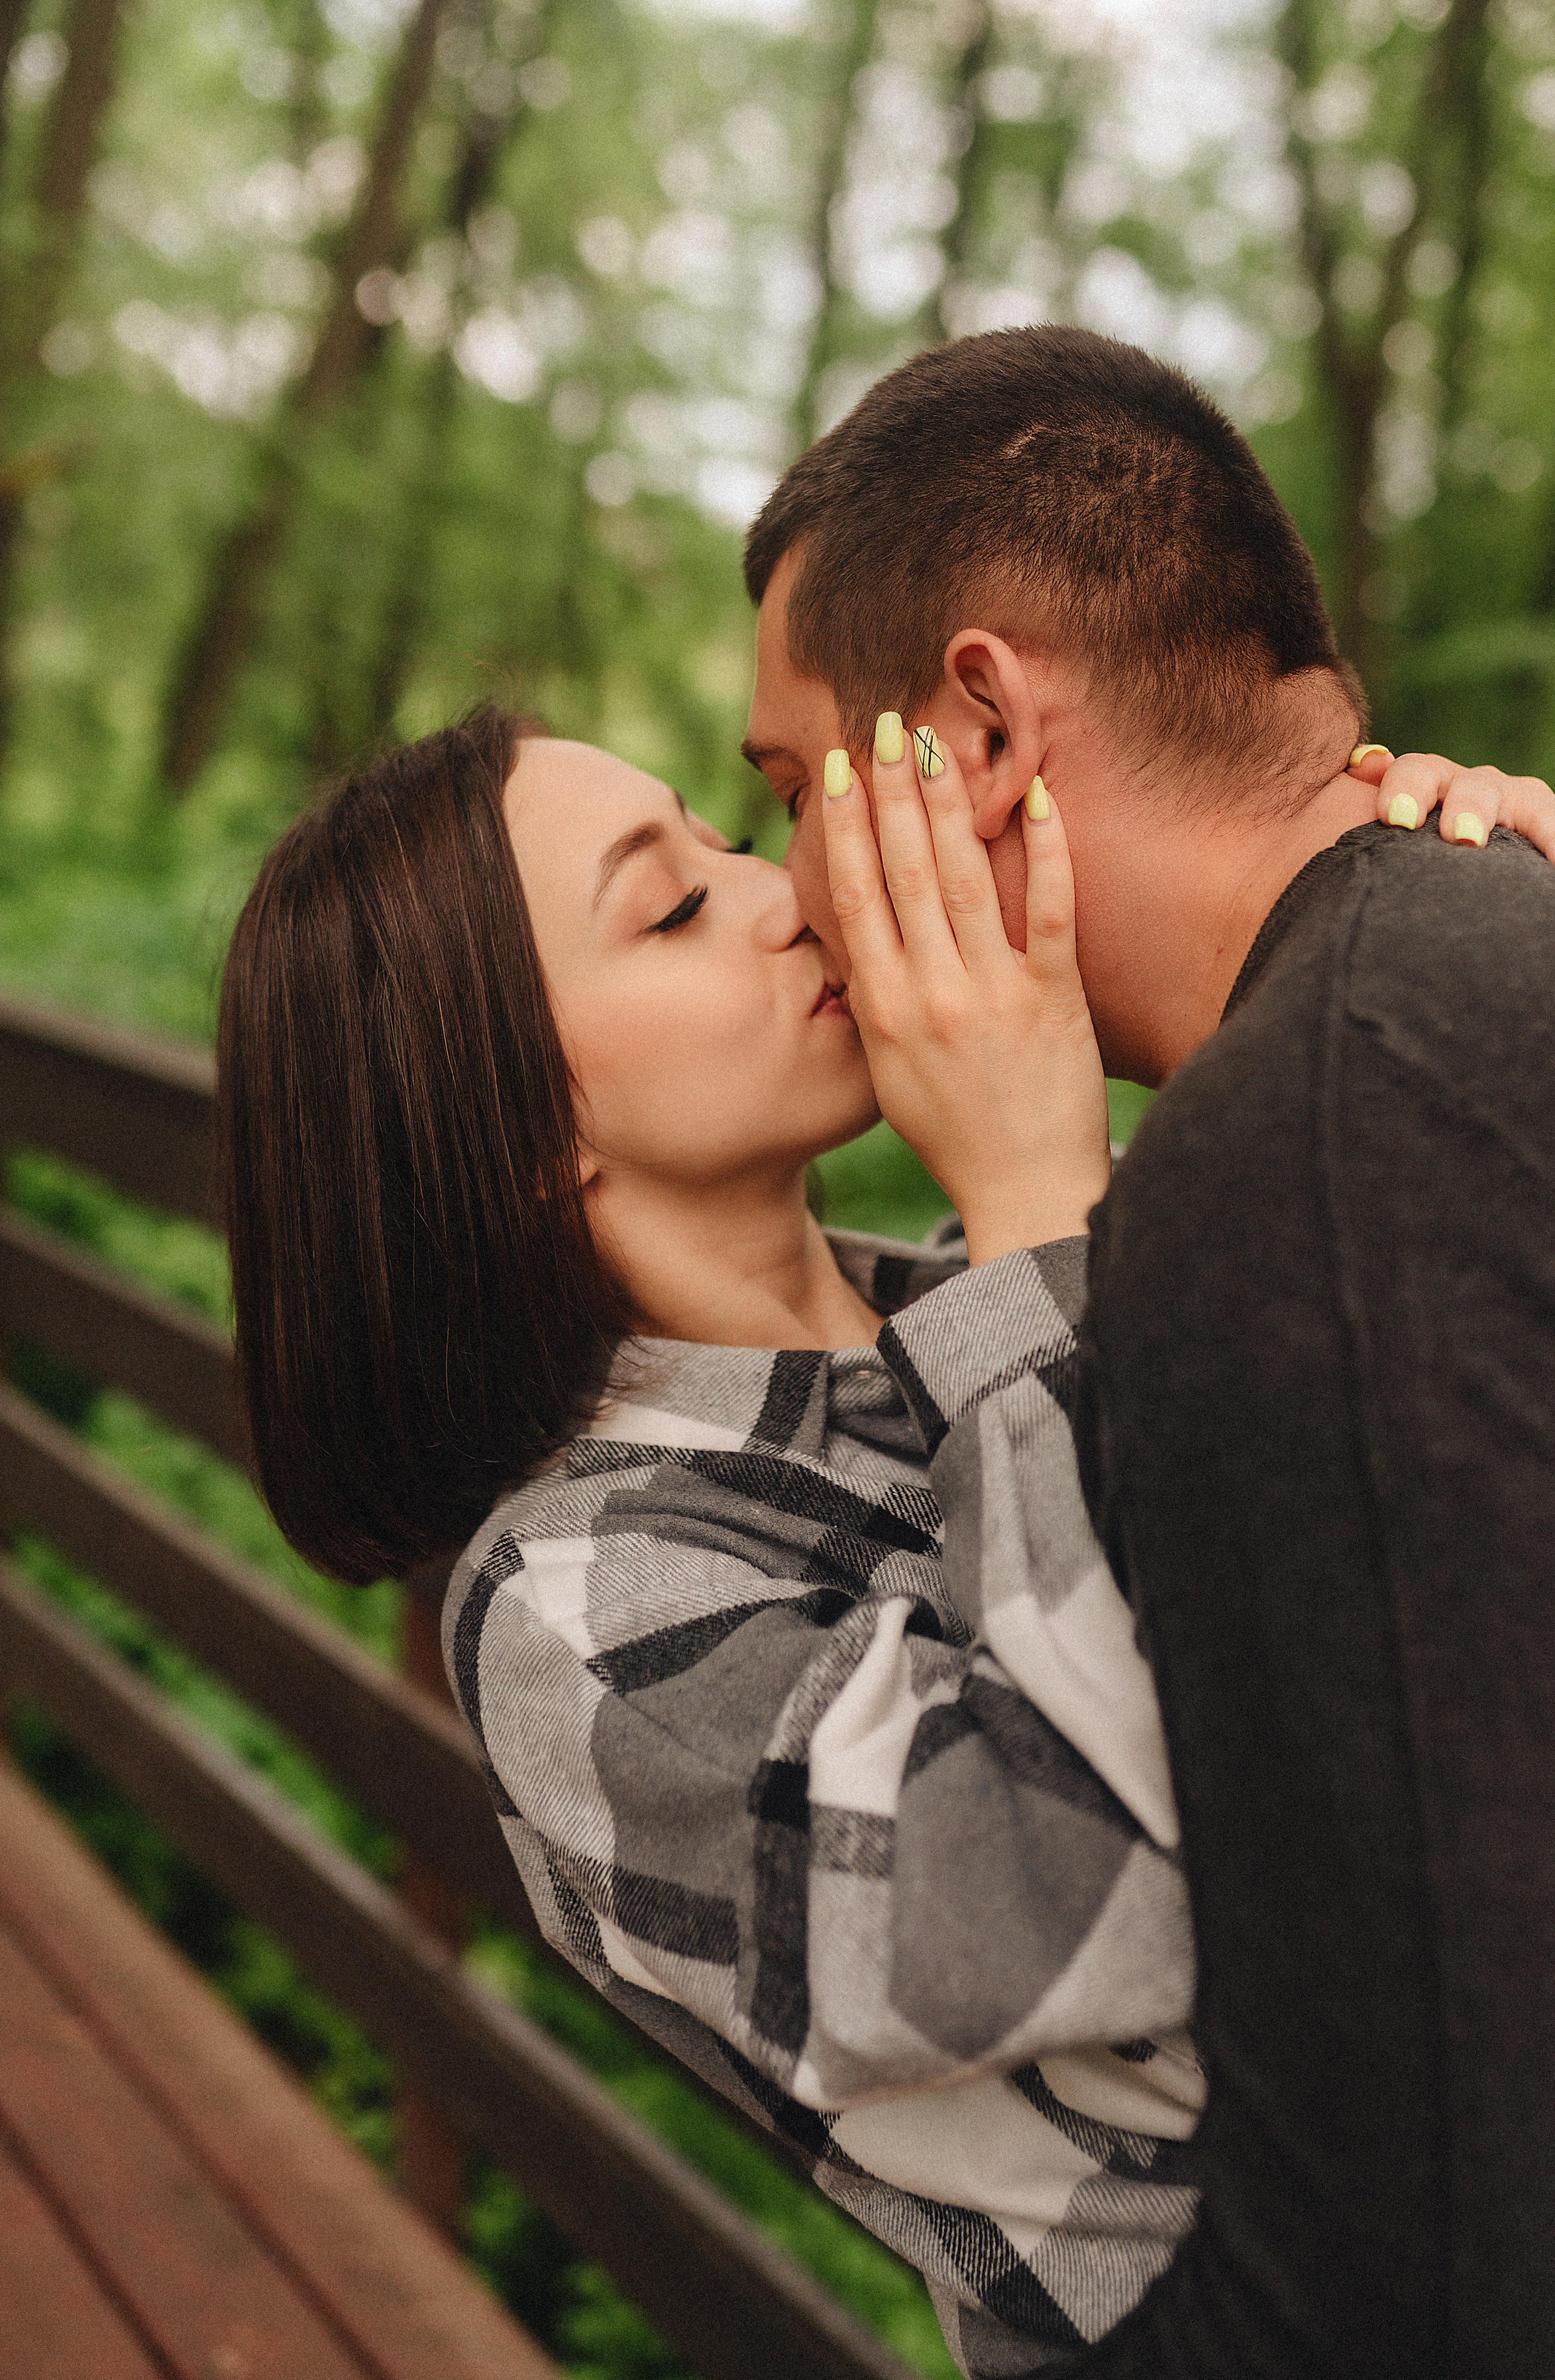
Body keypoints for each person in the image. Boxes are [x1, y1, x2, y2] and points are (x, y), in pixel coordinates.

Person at [735, 325, 1555, 2379]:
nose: (792, 890)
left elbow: (1422, 2306)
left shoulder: (1334, 1150)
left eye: (786, 783)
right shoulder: (1506, 965)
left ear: (975, 733)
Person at [217, 704, 1203, 2377]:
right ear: (527, 1134)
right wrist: (1041, 1204)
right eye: (670, 908)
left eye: (726, 844)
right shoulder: (574, 1607)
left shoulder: (999, 1288)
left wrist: (1391, 881)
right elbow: (1090, 1892)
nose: (784, 893)